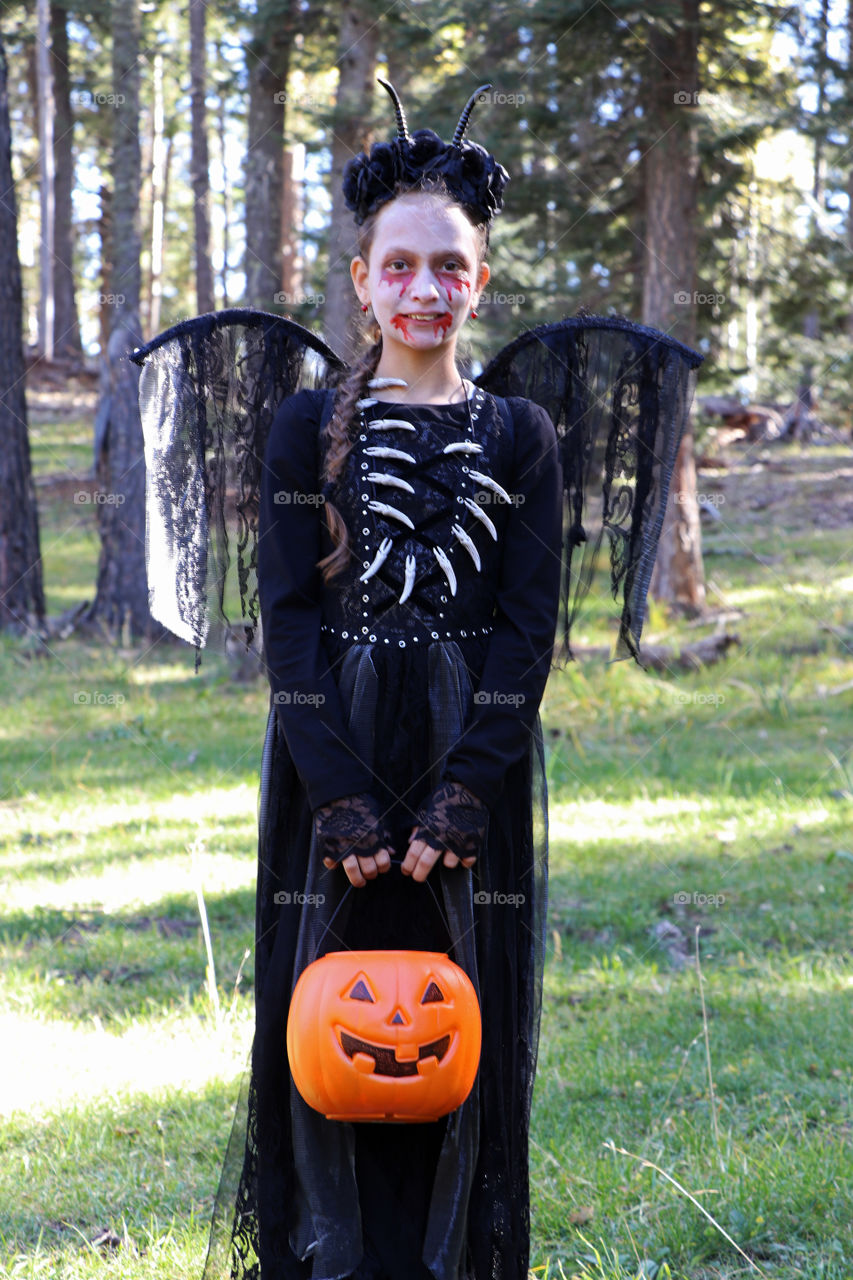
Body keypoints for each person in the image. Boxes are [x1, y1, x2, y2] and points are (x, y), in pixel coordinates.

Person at [203, 82, 564, 1280]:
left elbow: (526, 630)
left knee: (459, 1007)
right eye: (398, 266)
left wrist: (467, 789)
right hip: (336, 751)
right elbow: (288, 623)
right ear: (362, 281)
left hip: (473, 750)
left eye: (447, 268)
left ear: (479, 280)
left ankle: (456, 1254)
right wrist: (341, 796)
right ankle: (330, 1254)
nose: (424, 289)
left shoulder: (520, 435)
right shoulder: (305, 427)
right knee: (334, 1005)